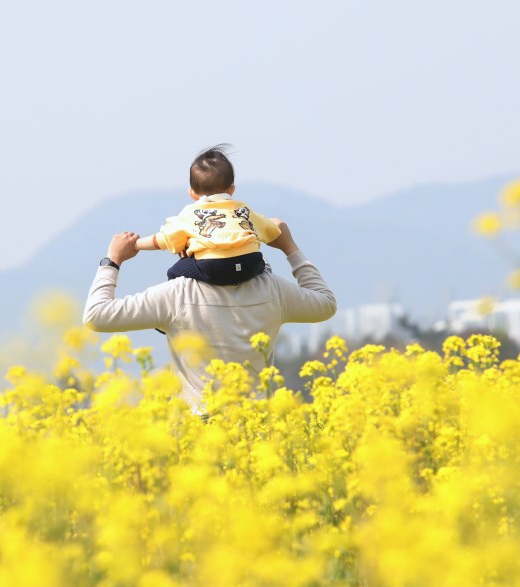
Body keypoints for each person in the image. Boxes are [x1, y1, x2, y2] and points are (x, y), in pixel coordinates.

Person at [82, 220, 336, 405]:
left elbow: (96, 315)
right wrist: (289, 247)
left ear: (187, 249)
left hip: (196, 437)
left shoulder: (176, 294)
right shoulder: (272, 290)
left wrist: (112, 261)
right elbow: (325, 303)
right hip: (257, 434)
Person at [134, 145, 280, 286]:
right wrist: (274, 224)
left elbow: (163, 239)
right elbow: (270, 230)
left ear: (192, 193)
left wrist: (136, 244)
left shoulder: (191, 213)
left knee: (175, 271)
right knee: (262, 261)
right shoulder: (242, 209)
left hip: (214, 267)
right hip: (249, 263)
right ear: (232, 190)